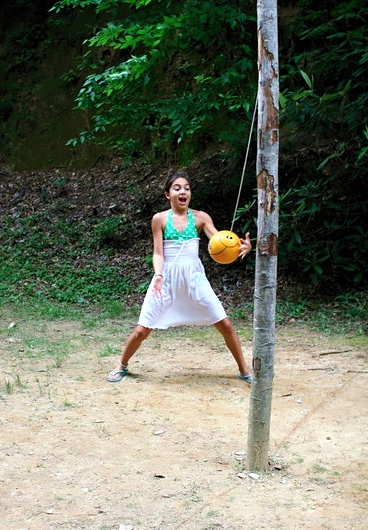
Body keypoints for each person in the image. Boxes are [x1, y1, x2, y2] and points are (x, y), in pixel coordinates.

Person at [107, 171, 253, 384]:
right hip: (166, 280)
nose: (183, 191)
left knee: (226, 325)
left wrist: (242, 247)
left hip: (195, 279)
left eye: (186, 187)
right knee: (142, 330)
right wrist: (158, 275)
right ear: (168, 194)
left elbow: (221, 241)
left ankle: (244, 369)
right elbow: (158, 253)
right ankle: (121, 365)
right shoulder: (159, 219)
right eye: (177, 188)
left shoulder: (201, 217)